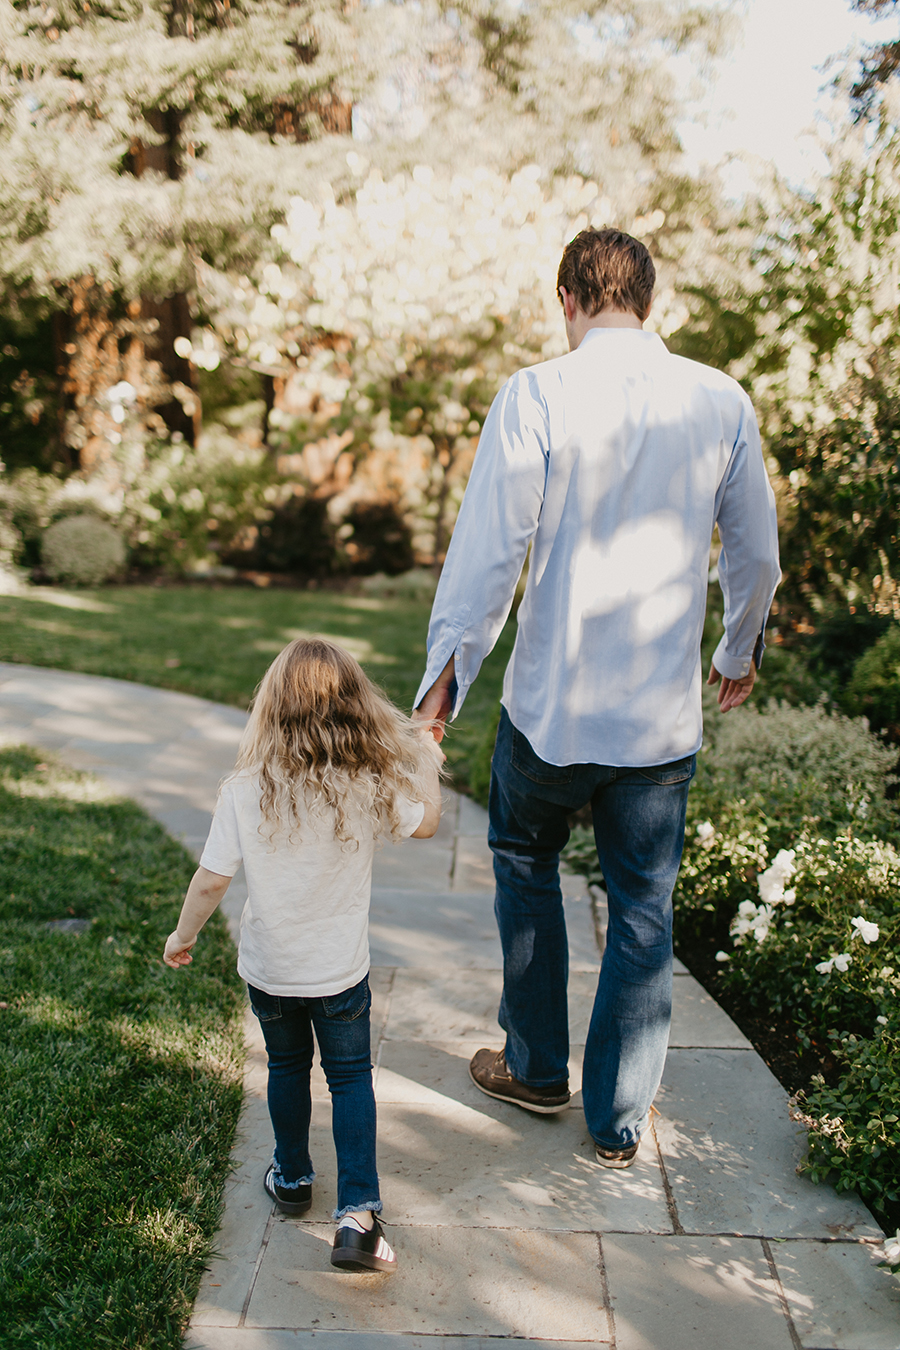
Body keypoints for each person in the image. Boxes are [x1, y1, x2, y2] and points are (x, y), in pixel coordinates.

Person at [414, 227, 780, 1169]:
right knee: (644, 910)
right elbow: (756, 551)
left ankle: (537, 1068)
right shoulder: (721, 399)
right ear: (648, 303)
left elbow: (490, 553)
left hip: (552, 712)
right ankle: (618, 1122)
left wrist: (442, 688)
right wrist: (739, 649)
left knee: (523, 858)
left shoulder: (538, 392)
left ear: (568, 301)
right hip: (659, 726)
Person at [164, 636, 444, 1271]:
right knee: (350, 1080)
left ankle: (291, 1179)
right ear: (355, 708)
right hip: (339, 973)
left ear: (271, 707)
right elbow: (426, 822)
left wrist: (183, 936)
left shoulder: (244, 788)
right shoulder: (366, 783)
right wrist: (426, 755)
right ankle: (358, 1219)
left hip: (271, 970)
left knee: (286, 1068)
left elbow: (211, 880)